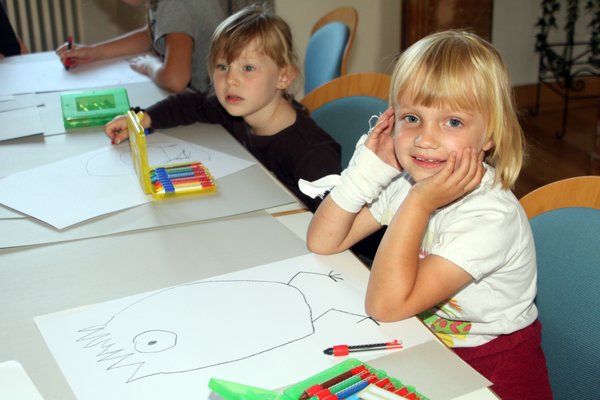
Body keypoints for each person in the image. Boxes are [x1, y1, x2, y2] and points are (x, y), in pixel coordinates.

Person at [305, 31, 552, 399]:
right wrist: (366, 173)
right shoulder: (410, 182)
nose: (425, 139)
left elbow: (386, 306)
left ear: (489, 136)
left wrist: (418, 204)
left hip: (494, 371)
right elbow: (324, 241)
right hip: (426, 346)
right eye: (412, 118)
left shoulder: (490, 217)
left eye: (452, 122)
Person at [104, 4, 341, 212]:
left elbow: (338, 228)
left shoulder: (312, 155)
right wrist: (142, 118)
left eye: (248, 68)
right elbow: (192, 104)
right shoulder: (235, 110)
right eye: (222, 66)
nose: (231, 80)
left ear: (284, 76)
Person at [55, 0, 225, 93]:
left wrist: (149, 65)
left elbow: (175, 80)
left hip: (214, 108)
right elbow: (152, 35)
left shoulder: (176, 4)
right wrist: (95, 52)